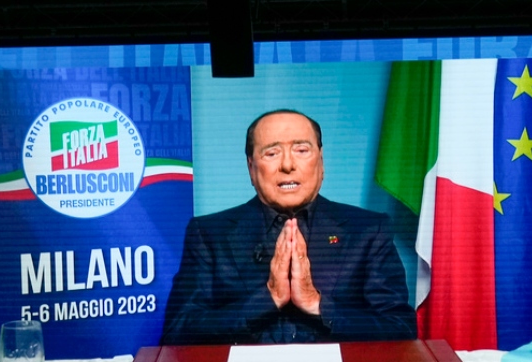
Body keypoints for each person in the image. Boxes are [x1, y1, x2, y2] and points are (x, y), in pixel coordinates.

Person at [161, 109, 416, 345]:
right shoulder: (208, 234)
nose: (287, 165)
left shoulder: (369, 230)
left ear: (321, 162)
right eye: (271, 153)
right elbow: (177, 332)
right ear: (251, 168)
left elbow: (400, 328)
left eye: (301, 150)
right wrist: (268, 298)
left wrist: (316, 304)